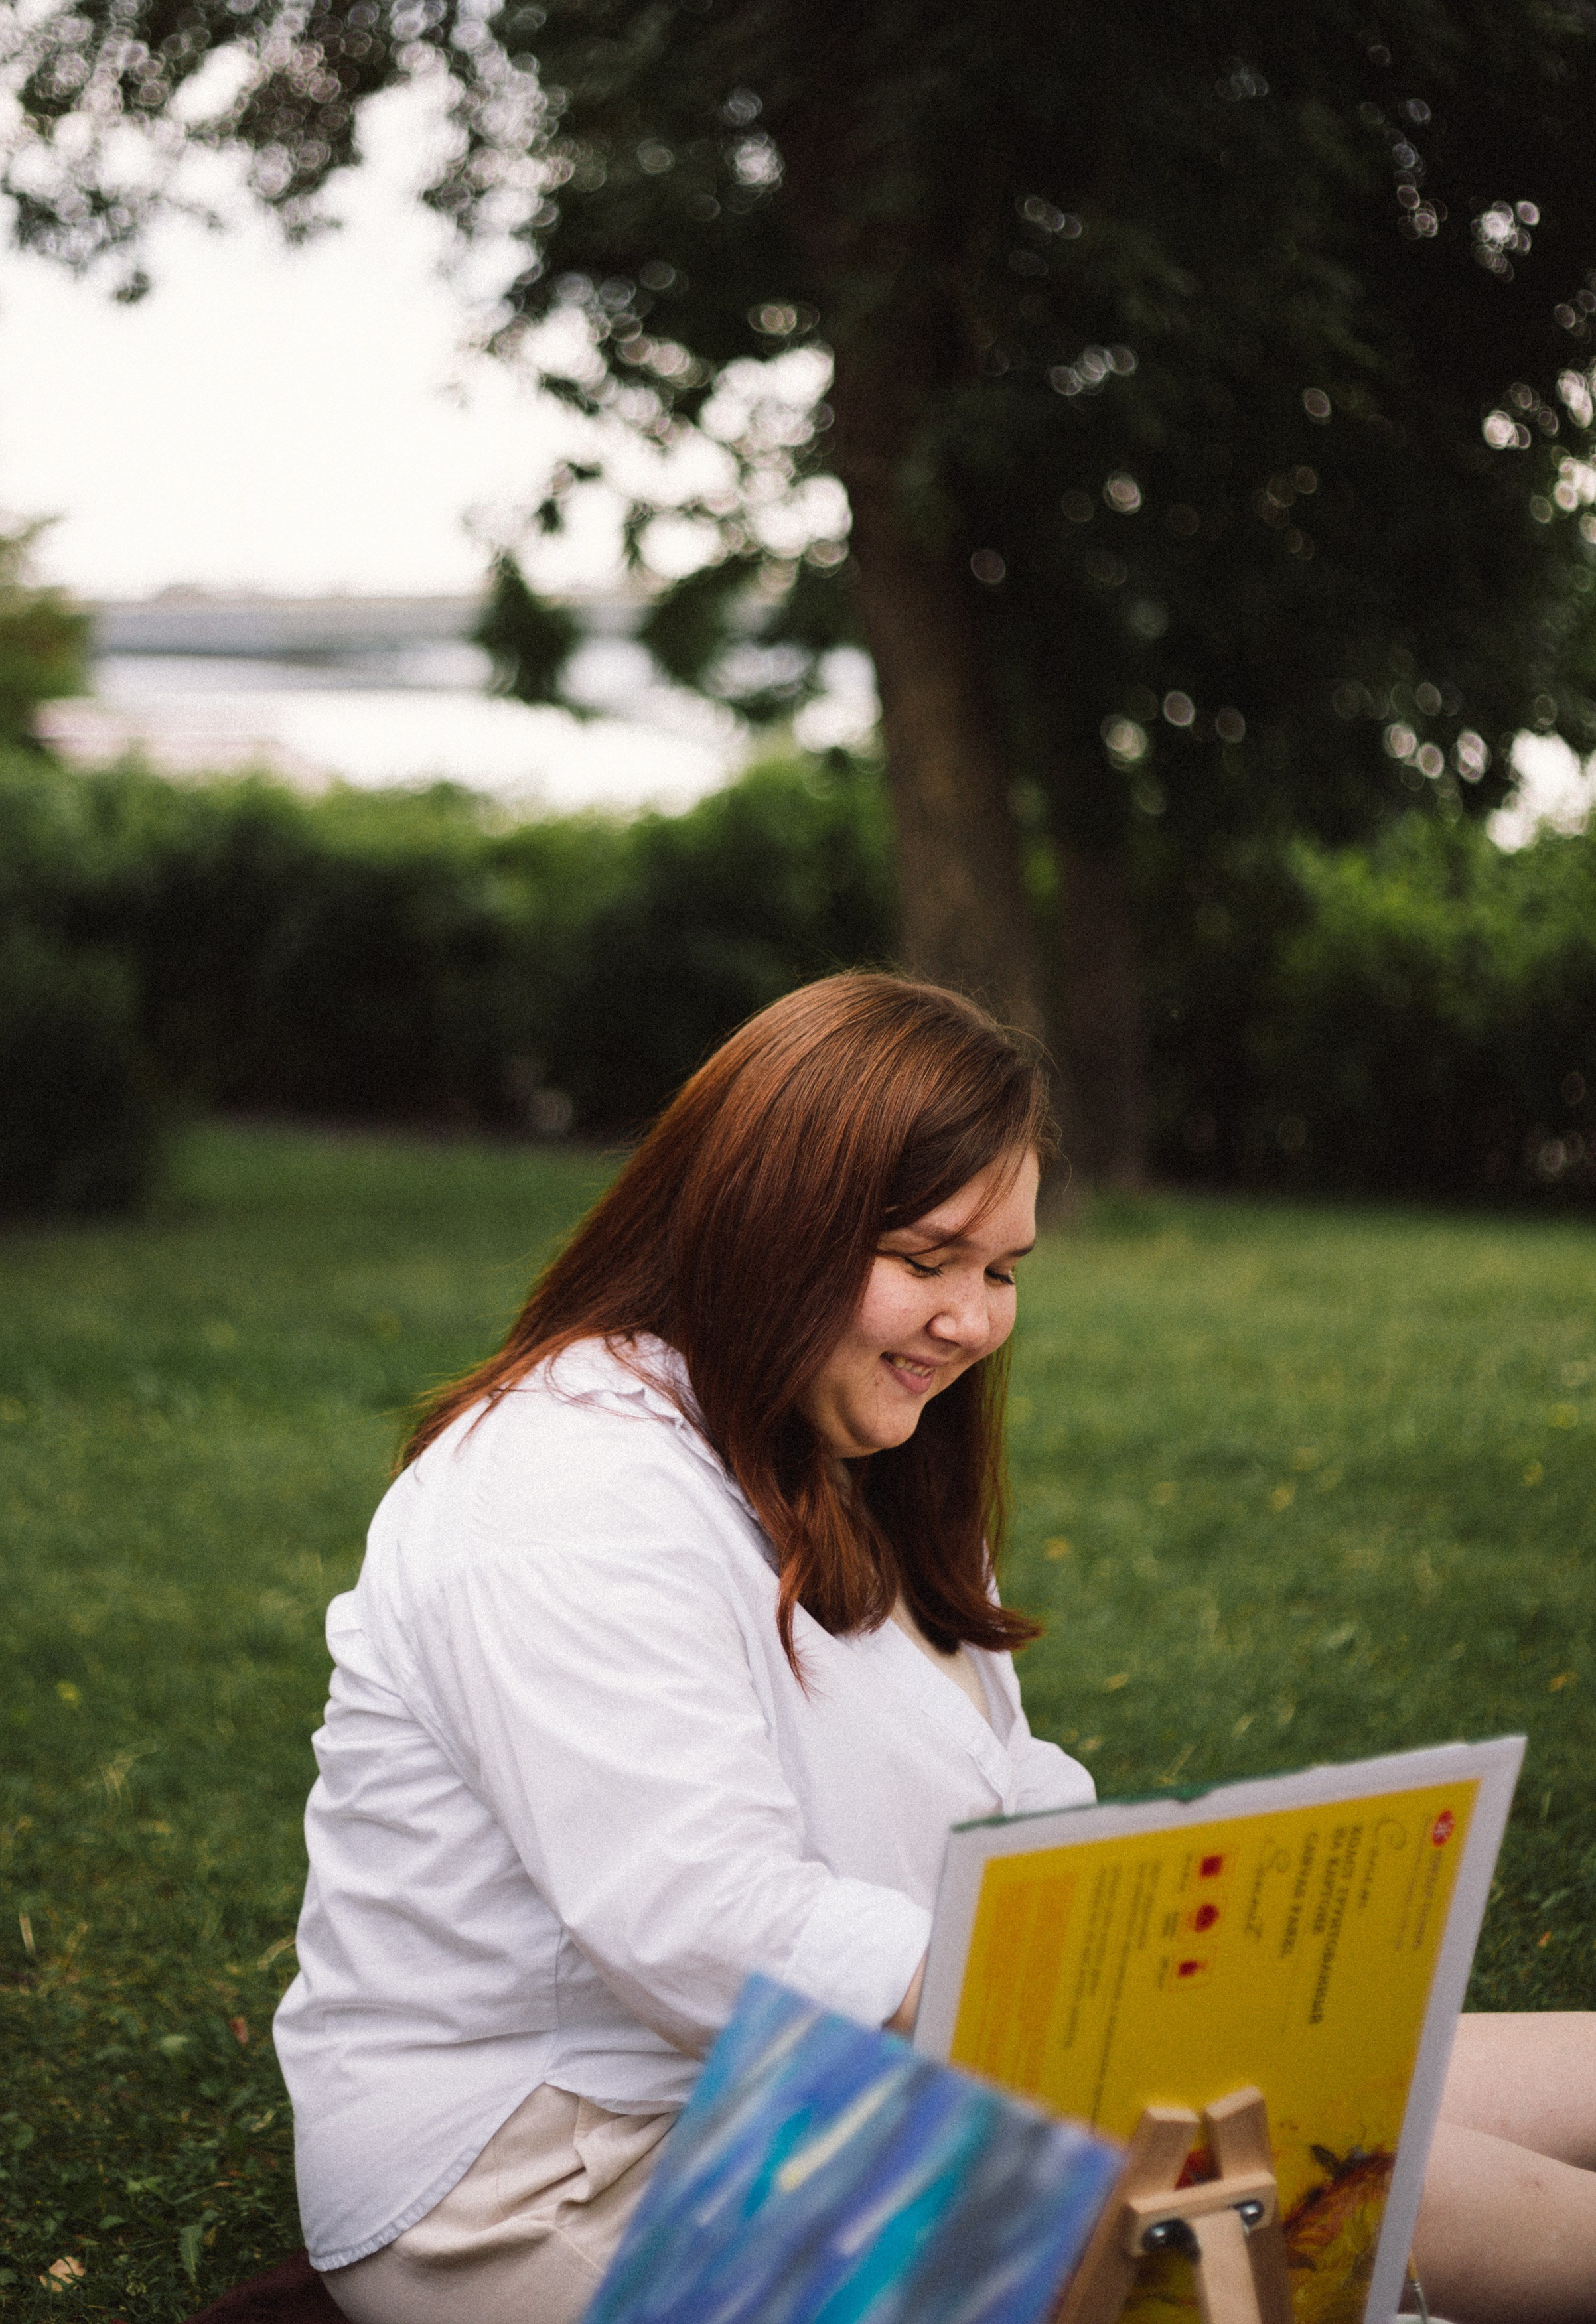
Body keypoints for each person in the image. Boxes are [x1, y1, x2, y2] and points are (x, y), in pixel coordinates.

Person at [273, 973, 1595, 2324]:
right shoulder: (566, 1488)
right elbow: (696, 1923)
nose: (973, 1321)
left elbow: (997, 1783)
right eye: (924, 1260)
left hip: (872, 2070)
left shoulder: (843, 1447)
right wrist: (1092, 2031)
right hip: (565, 2170)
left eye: (1002, 1269)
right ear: (764, 1227)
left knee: (1471, 2078)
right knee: (1379, 2182)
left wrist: (1190, 1969)